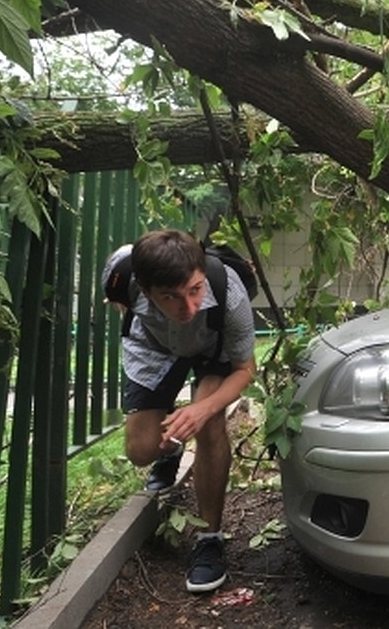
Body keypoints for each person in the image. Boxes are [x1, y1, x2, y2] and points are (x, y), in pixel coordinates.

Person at [102, 229, 257, 593]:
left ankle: (210, 539)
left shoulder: (227, 291)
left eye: (195, 290)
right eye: (170, 296)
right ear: (143, 287)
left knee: (210, 421)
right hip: (153, 345)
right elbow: (116, 297)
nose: (187, 308)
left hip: (212, 347)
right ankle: (170, 451)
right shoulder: (121, 274)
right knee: (141, 451)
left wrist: (203, 408)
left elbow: (245, 369)